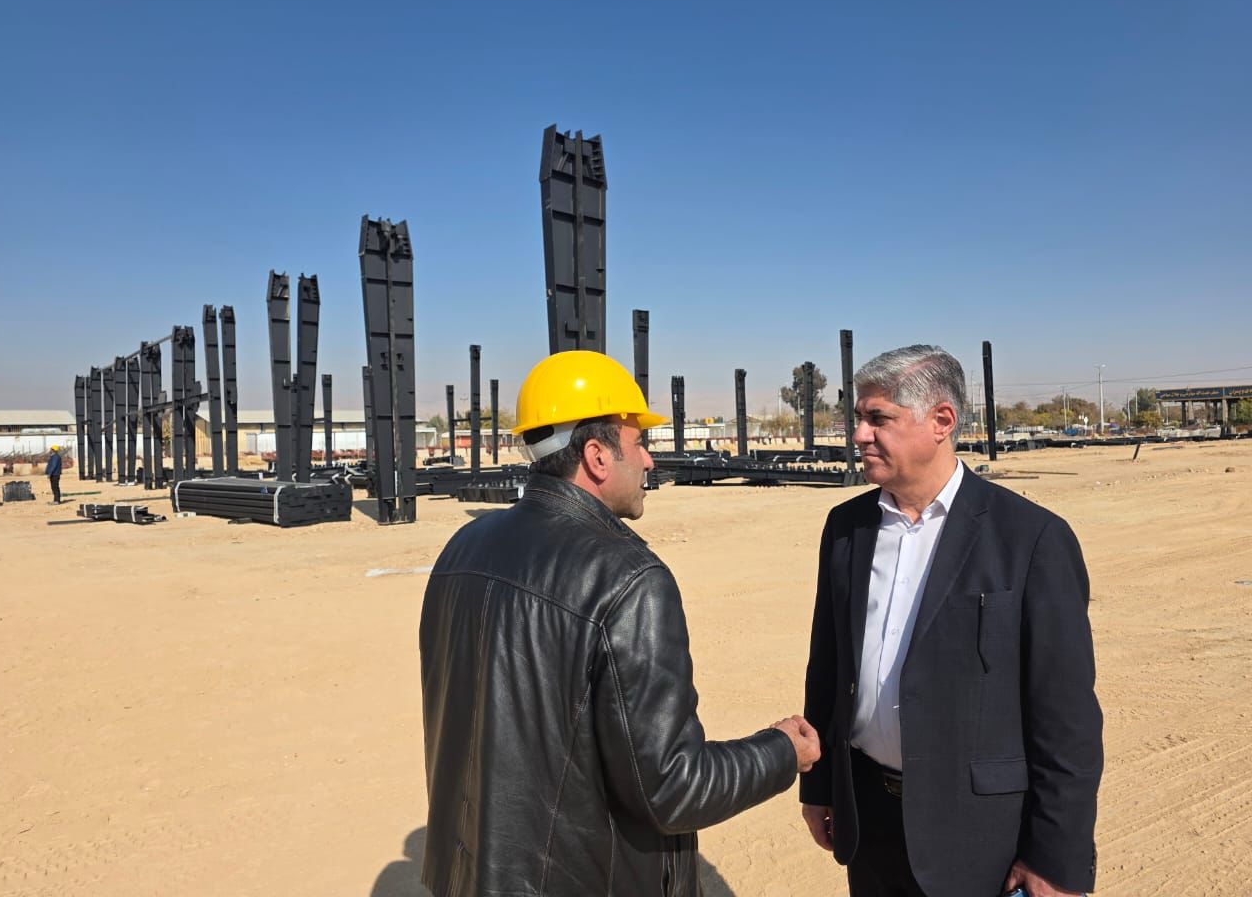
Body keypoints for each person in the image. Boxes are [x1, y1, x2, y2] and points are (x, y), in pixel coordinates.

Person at [420, 350, 820, 896]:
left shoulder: (464, 547)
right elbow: (673, 789)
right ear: (597, 456)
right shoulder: (627, 578)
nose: (650, 461)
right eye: (639, 443)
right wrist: (781, 751)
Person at [800, 345, 1102, 897]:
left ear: (941, 421)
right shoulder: (846, 528)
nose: (859, 435)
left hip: (980, 837)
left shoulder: (1030, 539)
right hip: (870, 822)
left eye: (878, 418)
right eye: (859, 419)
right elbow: (828, 666)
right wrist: (820, 786)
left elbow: (1067, 720)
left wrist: (1056, 858)